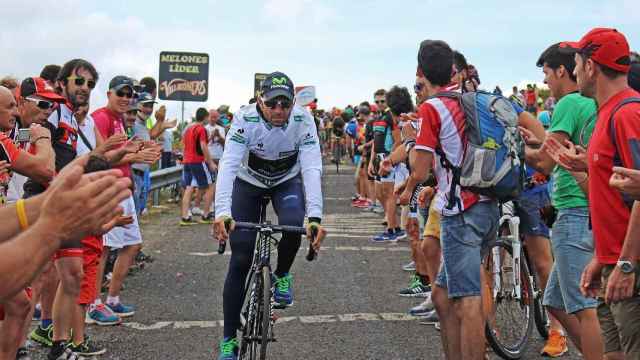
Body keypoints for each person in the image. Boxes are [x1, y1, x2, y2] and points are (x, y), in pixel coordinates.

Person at [212, 72, 326, 360]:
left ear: (292, 104)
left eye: (284, 104)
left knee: (292, 224)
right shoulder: (245, 119)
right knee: (240, 258)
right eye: (272, 103)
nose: (278, 110)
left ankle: (283, 274)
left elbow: (312, 168)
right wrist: (222, 212)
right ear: (260, 101)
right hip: (247, 183)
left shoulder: (303, 120)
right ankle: (228, 340)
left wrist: (315, 217)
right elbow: (228, 164)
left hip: (285, 181)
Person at [399, 39, 500, 360]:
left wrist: (411, 142)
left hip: (460, 210)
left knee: (466, 299)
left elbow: (420, 166)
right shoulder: (472, 100)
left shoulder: (433, 107)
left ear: (422, 73)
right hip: (489, 203)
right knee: (442, 295)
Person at [558, 28, 640, 359]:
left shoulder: (627, 113)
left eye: (577, 62)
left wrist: (626, 264)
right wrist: (601, 259)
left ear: (591, 66)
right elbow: (616, 192)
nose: (574, 70)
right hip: (613, 260)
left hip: (629, 265)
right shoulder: (607, 112)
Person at [521, 42, 602, 359]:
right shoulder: (590, 103)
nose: (545, 82)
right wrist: (540, 142)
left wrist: (517, 149)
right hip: (586, 207)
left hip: (573, 210)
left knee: (583, 307)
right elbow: (557, 149)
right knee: (555, 299)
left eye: (546, 73)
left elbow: (544, 163)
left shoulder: (569, 102)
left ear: (561, 71)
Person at [92, 75, 159, 325]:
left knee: (132, 245)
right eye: (121, 93)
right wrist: (135, 153)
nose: (125, 98)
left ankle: (112, 299)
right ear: (109, 93)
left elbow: (122, 153)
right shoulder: (100, 117)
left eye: (129, 95)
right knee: (104, 248)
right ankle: (93, 303)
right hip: (109, 189)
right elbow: (102, 158)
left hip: (124, 187)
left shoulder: (119, 120)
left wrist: (141, 152)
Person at [369, 88, 404, 242]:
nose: (380, 104)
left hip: (387, 157)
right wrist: (371, 160)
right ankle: (394, 226)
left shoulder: (391, 116)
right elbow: (374, 142)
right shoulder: (379, 117)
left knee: (389, 195)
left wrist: (390, 159)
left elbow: (398, 140)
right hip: (378, 157)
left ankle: (392, 229)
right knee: (380, 194)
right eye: (377, 101)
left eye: (382, 101)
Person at [179, 108, 216, 225]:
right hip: (197, 161)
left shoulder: (189, 129)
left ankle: (185, 217)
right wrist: (210, 162)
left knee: (189, 187)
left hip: (187, 161)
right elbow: (203, 145)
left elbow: (188, 144)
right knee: (210, 186)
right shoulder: (201, 129)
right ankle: (205, 215)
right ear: (205, 117)